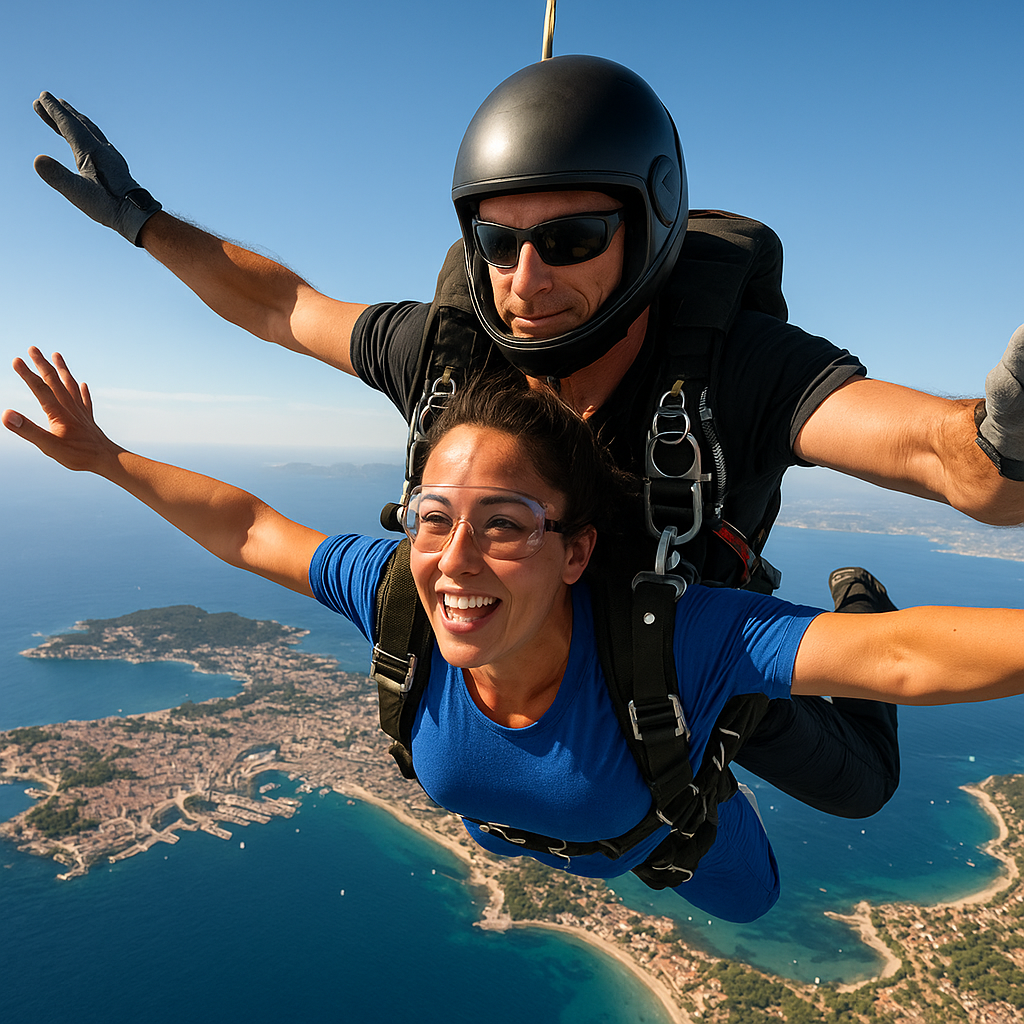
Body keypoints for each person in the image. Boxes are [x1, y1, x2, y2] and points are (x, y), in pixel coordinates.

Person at [27, 58, 1024, 820]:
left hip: (679, 642)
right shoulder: (446, 355)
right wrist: (143, 223)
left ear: (648, 227)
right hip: (528, 641)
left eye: (572, 238)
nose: (526, 277)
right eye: (497, 242)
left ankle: (857, 585)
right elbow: (284, 307)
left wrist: (1004, 441)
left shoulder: (732, 368)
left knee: (855, 788)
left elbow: (953, 463)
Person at [6, 349, 1024, 924]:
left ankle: (857, 592)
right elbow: (251, 529)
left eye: (504, 525)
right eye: (435, 515)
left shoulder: (669, 643)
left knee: (757, 894)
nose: (452, 559)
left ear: (575, 551)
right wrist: (106, 457)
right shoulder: (399, 586)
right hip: (594, 837)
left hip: (667, 840)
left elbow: (906, 658)